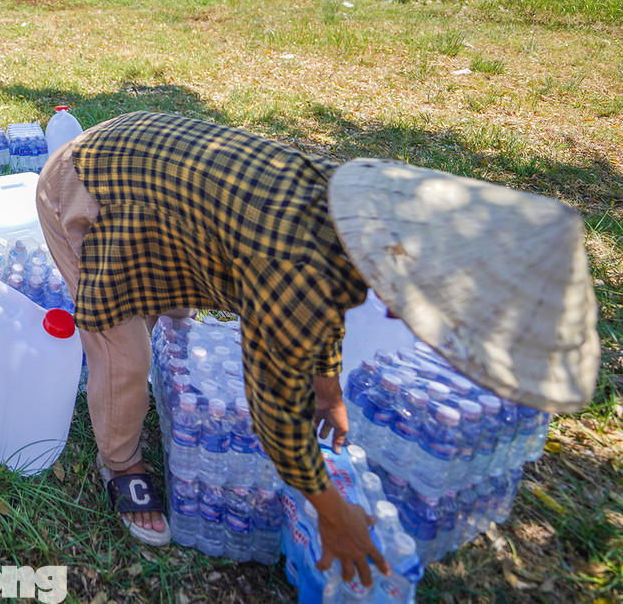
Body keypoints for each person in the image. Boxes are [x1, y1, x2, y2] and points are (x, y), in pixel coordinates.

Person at [35, 110, 598, 585]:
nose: (412, 317)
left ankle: (145, 354)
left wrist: (327, 391)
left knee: (174, 313)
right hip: (85, 186)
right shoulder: (295, 266)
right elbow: (274, 407)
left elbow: (329, 301)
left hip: (157, 187)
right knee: (123, 350)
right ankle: (121, 463)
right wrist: (333, 513)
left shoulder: (363, 221)